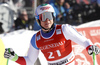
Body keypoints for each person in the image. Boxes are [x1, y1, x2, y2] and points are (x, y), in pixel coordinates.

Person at [4, 4, 100, 65]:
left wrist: (90, 47)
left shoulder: (64, 29)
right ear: (38, 20)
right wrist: (14, 57)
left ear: (53, 17)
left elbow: (84, 41)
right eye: (43, 17)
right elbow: (29, 61)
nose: (47, 20)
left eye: (49, 16)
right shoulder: (36, 39)